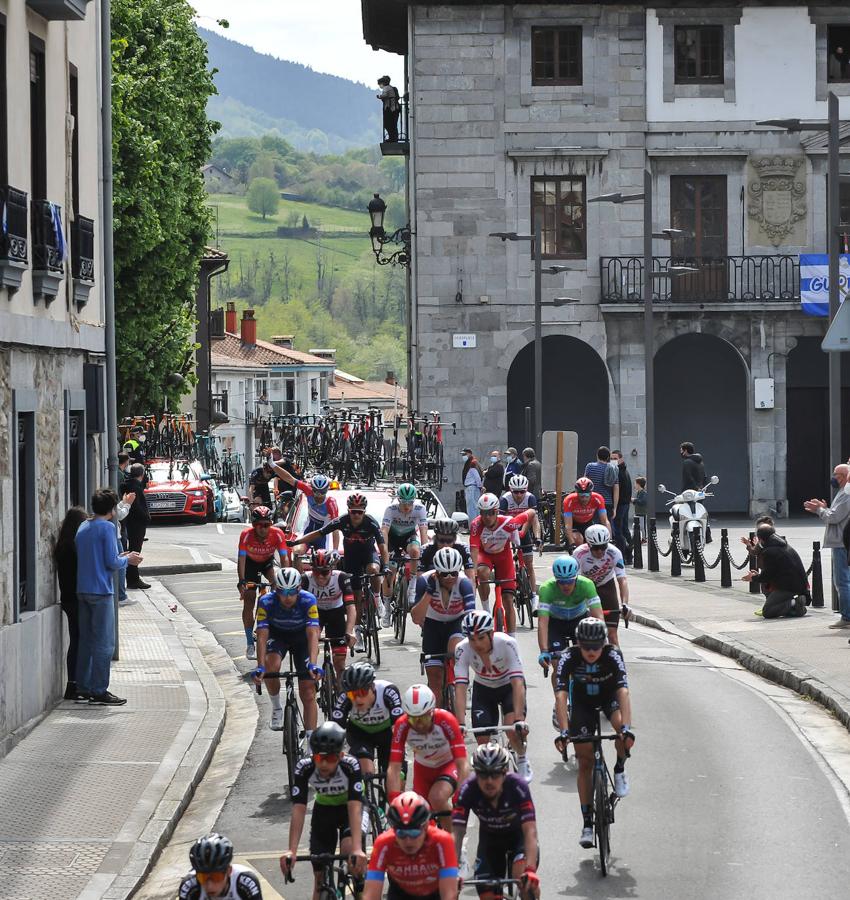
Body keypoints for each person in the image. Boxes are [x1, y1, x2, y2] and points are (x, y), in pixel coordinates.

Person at [553, 618, 635, 849]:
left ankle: (619, 769)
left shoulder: (613, 654)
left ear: (604, 643)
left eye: (596, 646)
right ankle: (587, 823)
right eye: (586, 646)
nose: (591, 651)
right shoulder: (569, 656)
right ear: (578, 643)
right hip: (582, 705)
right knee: (585, 761)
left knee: (622, 731)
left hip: (609, 699)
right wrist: (564, 731)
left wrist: (626, 730)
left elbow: (623, 692)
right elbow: (560, 696)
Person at [296, 493, 389, 653]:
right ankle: (358, 632)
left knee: (373, 570)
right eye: (353, 511)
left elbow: (382, 547)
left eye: (360, 512)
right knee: (356, 598)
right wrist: (298, 542)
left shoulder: (371, 522)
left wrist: (385, 565)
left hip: (368, 554)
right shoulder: (342, 520)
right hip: (351, 558)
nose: (356, 515)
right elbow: (320, 532)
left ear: (364, 512)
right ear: (349, 510)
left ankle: (377, 597)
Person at [281, 722, 367, 895]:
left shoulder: (351, 766)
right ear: (313, 756)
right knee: (319, 878)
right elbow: (299, 808)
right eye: (320, 758)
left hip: (350, 811)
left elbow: (354, 807)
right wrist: (292, 850)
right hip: (324, 811)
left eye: (331, 759)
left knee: (350, 852)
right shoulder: (304, 767)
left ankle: (358, 880)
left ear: (341, 756)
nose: (325, 765)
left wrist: (357, 848)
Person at [74, 488, 142, 705]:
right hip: (101, 590)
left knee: (86, 640)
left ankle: (83, 686)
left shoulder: (84, 526)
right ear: (112, 509)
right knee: (104, 643)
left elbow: (97, 556)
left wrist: (120, 556)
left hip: (82, 588)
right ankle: (99, 690)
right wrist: (128, 559)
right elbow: (112, 563)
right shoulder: (107, 528)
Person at [452, 744, 540, 900]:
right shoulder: (468, 790)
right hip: (490, 842)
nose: (489, 781)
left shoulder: (518, 786)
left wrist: (531, 869)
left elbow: (530, 831)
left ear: (504, 773)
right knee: (487, 895)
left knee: (525, 880)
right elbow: (457, 833)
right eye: (483, 775)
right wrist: (451, 872)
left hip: (519, 838)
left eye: (495, 774)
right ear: (476, 774)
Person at [453, 610, 532, 782]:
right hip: (484, 689)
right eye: (472, 639)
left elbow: (517, 682)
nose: (476, 644)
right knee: (482, 741)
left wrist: (519, 719)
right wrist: (459, 722)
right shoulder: (462, 648)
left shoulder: (507, 643)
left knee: (513, 730)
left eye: (481, 638)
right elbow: (460, 687)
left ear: (491, 633)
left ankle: (522, 758)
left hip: (508, 687)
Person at [252, 567, 322, 736]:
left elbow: (313, 633)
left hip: (301, 638)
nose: (287, 597)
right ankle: (276, 707)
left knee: (307, 691)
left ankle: (311, 744)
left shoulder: (308, 599)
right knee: (271, 665)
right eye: (282, 592)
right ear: (276, 590)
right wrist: (260, 666)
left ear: (299, 588)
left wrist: (313, 664)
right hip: (278, 636)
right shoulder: (266, 601)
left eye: (292, 592)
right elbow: (262, 635)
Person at [387, 684, 469, 827]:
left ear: (431, 712)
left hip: (448, 765)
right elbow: (394, 768)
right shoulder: (402, 725)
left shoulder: (446, 720)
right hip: (423, 771)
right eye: (413, 719)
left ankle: (454, 841)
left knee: (437, 798)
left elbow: (462, 763)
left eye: (423, 719)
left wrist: (460, 796)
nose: (419, 725)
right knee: (419, 819)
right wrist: (394, 800)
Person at [409, 547, 475, 704]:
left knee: (456, 648)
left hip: (456, 623)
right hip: (433, 625)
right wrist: (429, 592)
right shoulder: (424, 581)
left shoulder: (464, 583)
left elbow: (470, 617)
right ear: (436, 572)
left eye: (454, 572)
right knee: (435, 682)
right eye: (444, 574)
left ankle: (459, 683)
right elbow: (416, 618)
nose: (450, 577)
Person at [365, 792, 459, 900]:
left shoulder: (441, 841)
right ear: (394, 830)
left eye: (414, 833)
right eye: (401, 834)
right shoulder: (384, 843)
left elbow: (449, 894)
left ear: (425, 827)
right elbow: (371, 894)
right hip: (400, 894)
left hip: (435, 893)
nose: (408, 841)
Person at [470, 493, 533, 635]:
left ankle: (512, 639)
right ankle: (486, 610)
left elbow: (531, 512)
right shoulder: (476, 524)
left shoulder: (509, 522)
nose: (487, 517)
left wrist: (523, 531)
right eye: (483, 513)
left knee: (508, 601)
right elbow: (473, 550)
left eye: (490, 513)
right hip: (484, 554)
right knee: (482, 572)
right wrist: (473, 573)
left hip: (504, 556)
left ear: (497, 512)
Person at [536, 556, 605, 684]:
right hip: (556, 625)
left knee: (584, 662)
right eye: (561, 582)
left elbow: (598, 617)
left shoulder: (586, 585)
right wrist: (544, 651)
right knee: (558, 666)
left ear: (576, 578)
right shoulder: (546, 589)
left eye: (569, 581)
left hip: (579, 622)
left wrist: (602, 644)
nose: (566, 586)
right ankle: (559, 701)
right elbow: (543, 622)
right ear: (556, 580)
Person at [237, 505, 291, 660]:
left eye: (266, 525)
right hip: (250, 565)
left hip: (267, 563)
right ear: (254, 525)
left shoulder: (277, 534)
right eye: (259, 525)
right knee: (249, 598)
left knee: (276, 585)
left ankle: (267, 621)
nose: (263, 529)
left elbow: (284, 558)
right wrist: (241, 581)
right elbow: (241, 559)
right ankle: (249, 643)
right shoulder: (246, 535)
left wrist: (285, 577)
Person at [332, 661, 404, 776]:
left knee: (396, 774)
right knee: (367, 772)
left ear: (373, 687)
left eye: (362, 692)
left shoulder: (388, 690)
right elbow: (335, 727)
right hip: (360, 734)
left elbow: (400, 722)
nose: (358, 699)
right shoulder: (344, 697)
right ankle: (367, 790)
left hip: (386, 733)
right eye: (352, 695)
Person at [804, 463, 850, 628]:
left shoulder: (846, 494)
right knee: (844, 581)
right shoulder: (842, 492)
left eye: (836, 474)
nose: (833, 476)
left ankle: (847, 617)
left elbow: (834, 517)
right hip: (842, 541)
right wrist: (824, 508)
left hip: (842, 542)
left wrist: (819, 510)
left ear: (844, 476)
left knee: (842, 581)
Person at [302, 548, 356, 680]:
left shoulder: (341, 577)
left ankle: (340, 693)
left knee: (340, 664)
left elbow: (351, 608)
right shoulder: (305, 579)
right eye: (316, 571)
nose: (320, 576)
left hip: (336, 615)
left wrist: (350, 631)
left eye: (325, 572)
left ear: (331, 570)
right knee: (310, 650)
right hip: (315, 615)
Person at [573, 525, 629, 646]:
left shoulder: (614, 552)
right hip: (585, 588)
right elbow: (574, 581)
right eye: (596, 548)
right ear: (588, 545)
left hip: (606, 586)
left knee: (612, 635)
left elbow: (622, 580)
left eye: (603, 547)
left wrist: (625, 604)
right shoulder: (579, 553)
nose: (600, 551)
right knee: (583, 634)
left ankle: (616, 663)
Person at [53, 506, 88, 700]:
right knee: (78, 641)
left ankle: (73, 684)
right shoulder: (74, 548)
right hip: (76, 597)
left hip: (67, 598)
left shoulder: (62, 546)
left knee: (76, 640)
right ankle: (74, 685)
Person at [382, 483, 429, 623]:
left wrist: (425, 550)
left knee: (415, 551)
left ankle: (412, 587)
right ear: (399, 500)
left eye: (410, 503)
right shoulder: (391, 510)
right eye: (404, 502)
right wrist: (384, 549)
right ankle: (387, 608)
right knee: (390, 571)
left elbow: (423, 531)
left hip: (409, 537)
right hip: (393, 539)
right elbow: (384, 530)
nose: (407, 506)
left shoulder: (420, 509)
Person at [742, 524, 808, 619]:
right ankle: (795, 607)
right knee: (769, 595)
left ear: (760, 539)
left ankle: (795, 602)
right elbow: (772, 572)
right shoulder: (781, 545)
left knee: (767, 612)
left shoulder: (769, 551)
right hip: (796, 584)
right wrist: (758, 576)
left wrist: (753, 577)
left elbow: (768, 575)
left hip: (788, 587)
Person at [269, 465, 340, 550]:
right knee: (297, 550)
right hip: (307, 531)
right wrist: (272, 464)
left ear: (326, 491)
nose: (319, 496)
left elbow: (335, 529)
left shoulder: (331, 503)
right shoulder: (307, 490)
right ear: (312, 489)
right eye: (316, 492)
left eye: (322, 492)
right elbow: (289, 479)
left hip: (322, 536)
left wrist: (335, 550)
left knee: (322, 558)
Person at [499, 473, 541, 613]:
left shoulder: (530, 498)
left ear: (526, 489)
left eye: (522, 491)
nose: (518, 495)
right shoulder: (504, 499)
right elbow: (500, 521)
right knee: (507, 562)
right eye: (515, 492)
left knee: (529, 564)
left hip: (524, 529)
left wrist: (537, 537)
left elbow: (534, 520)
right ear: (510, 490)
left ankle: (534, 598)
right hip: (507, 530)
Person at [179, 832, 263, 899]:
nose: (209, 885)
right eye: (202, 877)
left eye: (216, 877)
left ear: (229, 871)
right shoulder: (189, 886)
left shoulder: (246, 882)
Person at [122, 463, 151, 590]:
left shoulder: (127, 484)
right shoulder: (136, 487)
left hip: (129, 523)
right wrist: (146, 517)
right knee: (135, 550)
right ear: (142, 474)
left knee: (131, 549)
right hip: (136, 524)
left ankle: (132, 577)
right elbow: (137, 507)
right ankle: (133, 579)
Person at [562, 477, 610, 549]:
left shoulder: (598, 498)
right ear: (576, 493)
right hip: (573, 524)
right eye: (581, 496)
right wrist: (572, 543)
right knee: (578, 539)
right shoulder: (569, 500)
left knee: (594, 542)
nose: (584, 499)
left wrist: (609, 540)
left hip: (588, 523)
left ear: (591, 493)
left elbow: (605, 521)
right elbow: (568, 525)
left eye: (587, 496)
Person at [583, 446, 618, 522]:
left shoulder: (590, 466)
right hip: (607, 503)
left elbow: (584, 484)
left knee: (592, 528)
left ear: (597, 455)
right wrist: (615, 508)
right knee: (605, 528)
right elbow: (616, 490)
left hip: (592, 502)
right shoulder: (613, 469)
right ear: (608, 457)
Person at [610, 450, 633, 562]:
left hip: (620, 504)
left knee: (618, 530)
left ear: (621, 459)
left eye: (615, 458)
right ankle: (629, 553)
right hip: (624, 504)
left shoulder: (618, 472)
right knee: (624, 529)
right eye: (611, 458)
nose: (613, 461)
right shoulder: (624, 470)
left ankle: (623, 555)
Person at [377, 75, 401, 143]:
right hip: (394, 108)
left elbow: (384, 95)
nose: (380, 86)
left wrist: (379, 96)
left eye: (380, 84)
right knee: (393, 124)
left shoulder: (386, 88)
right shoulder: (391, 88)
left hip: (390, 109)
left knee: (388, 124)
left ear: (383, 83)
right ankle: (394, 138)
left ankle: (392, 138)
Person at [462, 449, 484, 522]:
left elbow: (477, 476)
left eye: (465, 454)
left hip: (472, 488)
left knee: (471, 509)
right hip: (474, 488)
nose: (463, 456)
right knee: (475, 508)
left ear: (470, 454)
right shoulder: (472, 462)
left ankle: (473, 526)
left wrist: (480, 487)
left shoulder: (472, 463)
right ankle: (476, 525)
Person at [633, 476, 648, 540]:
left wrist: (635, 500)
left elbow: (642, 502)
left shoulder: (643, 493)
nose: (635, 485)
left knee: (642, 527)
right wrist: (633, 501)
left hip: (642, 513)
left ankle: (644, 538)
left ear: (639, 484)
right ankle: (635, 538)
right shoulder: (638, 492)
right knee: (635, 526)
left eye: (635, 484)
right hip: (637, 513)